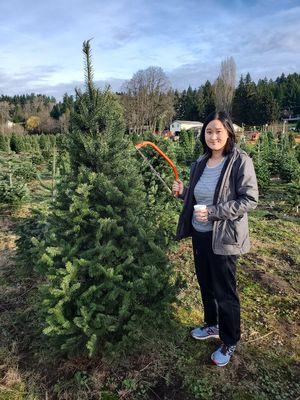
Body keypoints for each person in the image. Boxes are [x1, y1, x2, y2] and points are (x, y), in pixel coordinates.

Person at [172, 111, 258, 367]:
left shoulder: (240, 161)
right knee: (206, 284)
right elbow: (198, 196)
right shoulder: (200, 162)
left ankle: (230, 340)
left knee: (225, 291)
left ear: (229, 132)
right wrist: (183, 193)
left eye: (219, 131)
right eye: (209, 131)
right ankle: (212, 325)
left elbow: (249, 200)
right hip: (200, 236)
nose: (213, 136)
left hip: (224, 238)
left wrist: (213, 212)